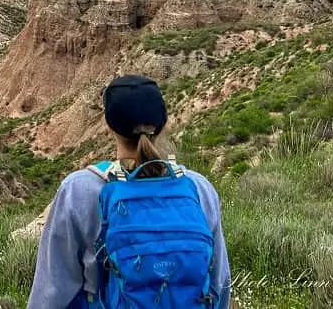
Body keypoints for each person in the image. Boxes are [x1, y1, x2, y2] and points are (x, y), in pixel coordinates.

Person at [27, 75, 230, 308]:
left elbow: (52, 290)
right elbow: (219, 283)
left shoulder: (79, 191)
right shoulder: (199, 189)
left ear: (109, 126)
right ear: (164, 125)